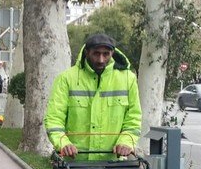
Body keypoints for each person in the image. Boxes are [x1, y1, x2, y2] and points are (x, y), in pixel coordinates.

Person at [43, 33, 141, 161]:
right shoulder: (66, 79)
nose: (101, 59)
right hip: (74, 164)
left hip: (112, 164)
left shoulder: (128, 79)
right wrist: (63, 143)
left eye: (106, 54)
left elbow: (133, 119)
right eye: (96, 53)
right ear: (87, 52)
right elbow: (54, 118)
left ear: (112, 53)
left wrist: (126, 142)